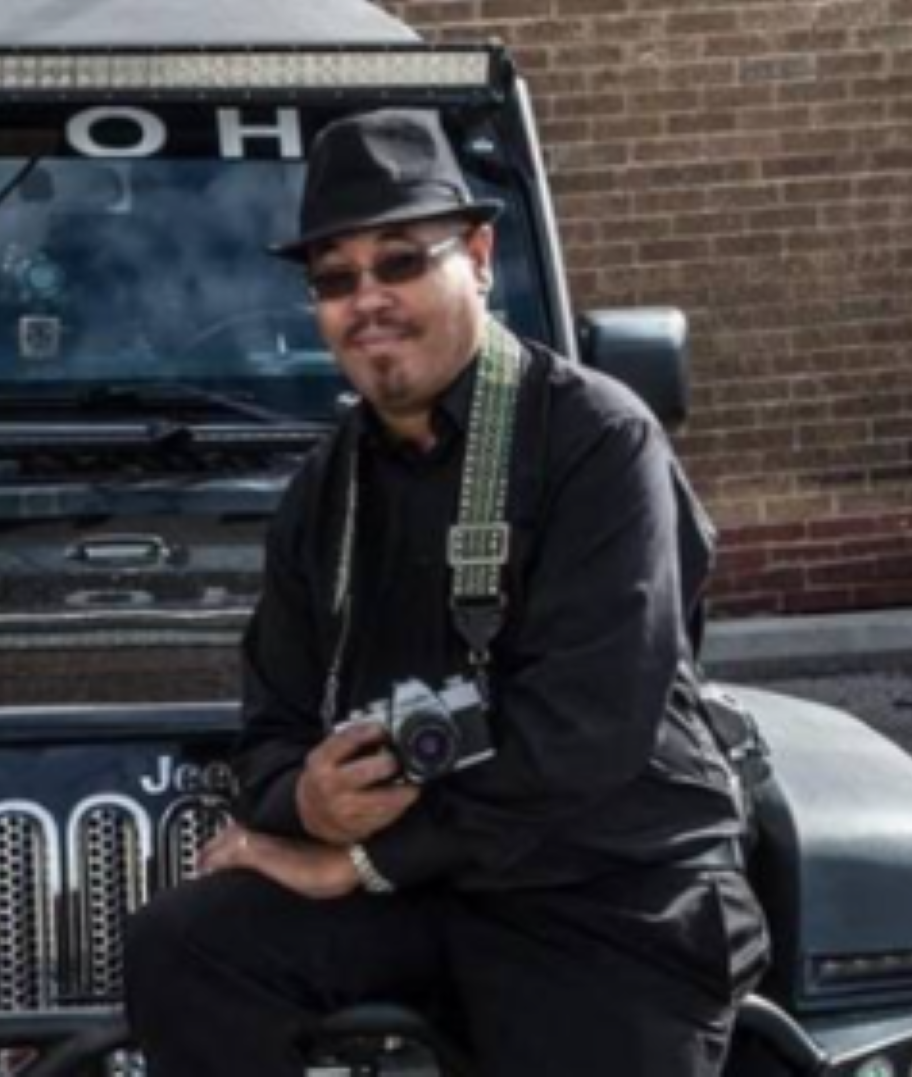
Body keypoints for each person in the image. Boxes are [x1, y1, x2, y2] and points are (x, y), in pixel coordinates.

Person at [123, 108, 769, 1077]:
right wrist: (306, 796)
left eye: (399, 262)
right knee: (187, 946)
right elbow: (271, 721)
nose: (366, 299)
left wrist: (359, 860)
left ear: (477, 254)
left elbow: (583, 736)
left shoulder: (596, 442)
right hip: (428, 894)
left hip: (601, 893)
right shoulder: (322, 493)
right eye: (334, 280)